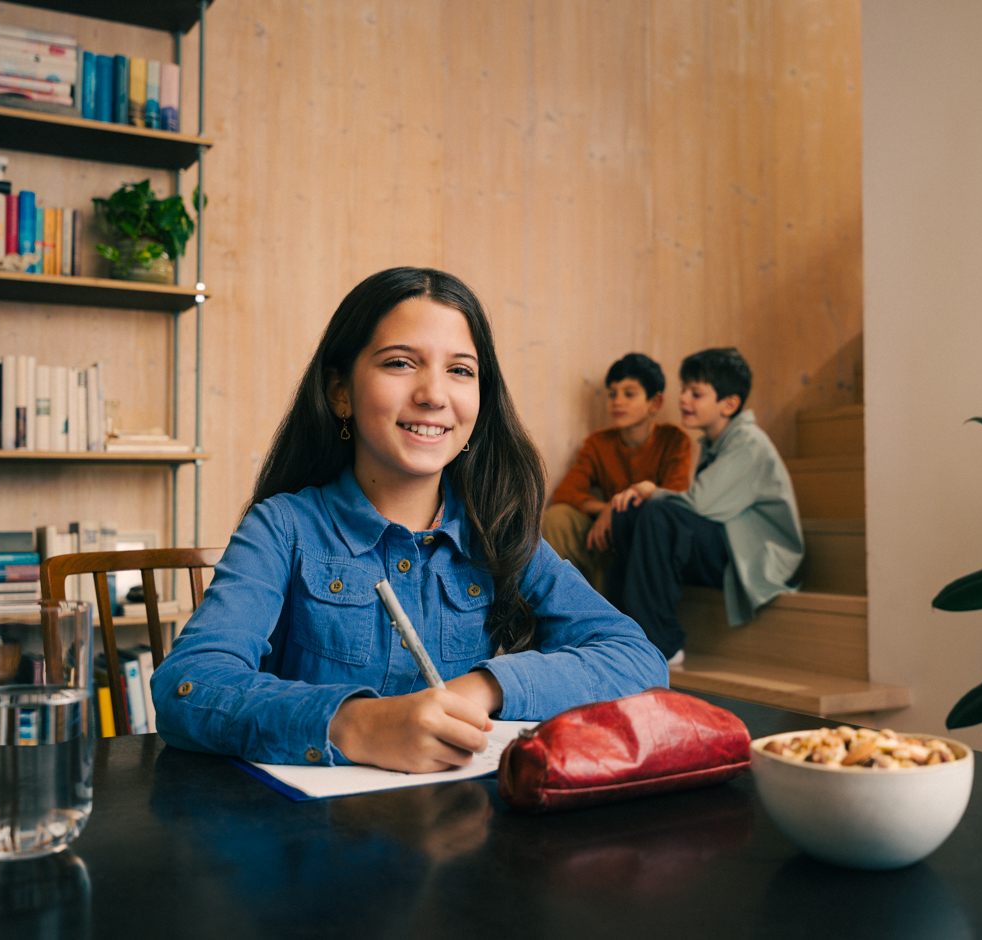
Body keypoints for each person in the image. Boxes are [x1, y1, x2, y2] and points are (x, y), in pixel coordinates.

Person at [150, 268, 667, 774]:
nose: (434, 394)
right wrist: (357, 724)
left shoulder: (499, 533)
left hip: (460, 835)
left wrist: (484, 687)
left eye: (460, 370)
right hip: (311, 838)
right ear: (340, 393)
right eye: (400, 363)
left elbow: (638, 660)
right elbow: (188, 685)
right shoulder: (282, 528)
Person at [602, 348, 803, 662]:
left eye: (696, 394)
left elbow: (699, 505)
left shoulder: (748, 441)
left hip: (755, 554)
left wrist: (651, 490)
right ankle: (619, 636)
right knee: (628, 514)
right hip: (730, 540)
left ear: (729, 404)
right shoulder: (715, 442)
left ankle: (662, 644)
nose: (683, 399)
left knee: (658, 514)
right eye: (684, 390)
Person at [542, 353, 693, 591]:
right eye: (612, 394)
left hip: (646, 537)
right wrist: (608, 508)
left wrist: (619, 511)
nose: (617, 401)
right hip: (603, 534)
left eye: (629, 394)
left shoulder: (674, 440)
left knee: (634, 526)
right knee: (558, 516)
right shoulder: (598, 443)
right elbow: (565, 493)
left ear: (655, 402)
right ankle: (561, 602)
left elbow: (674, 497)